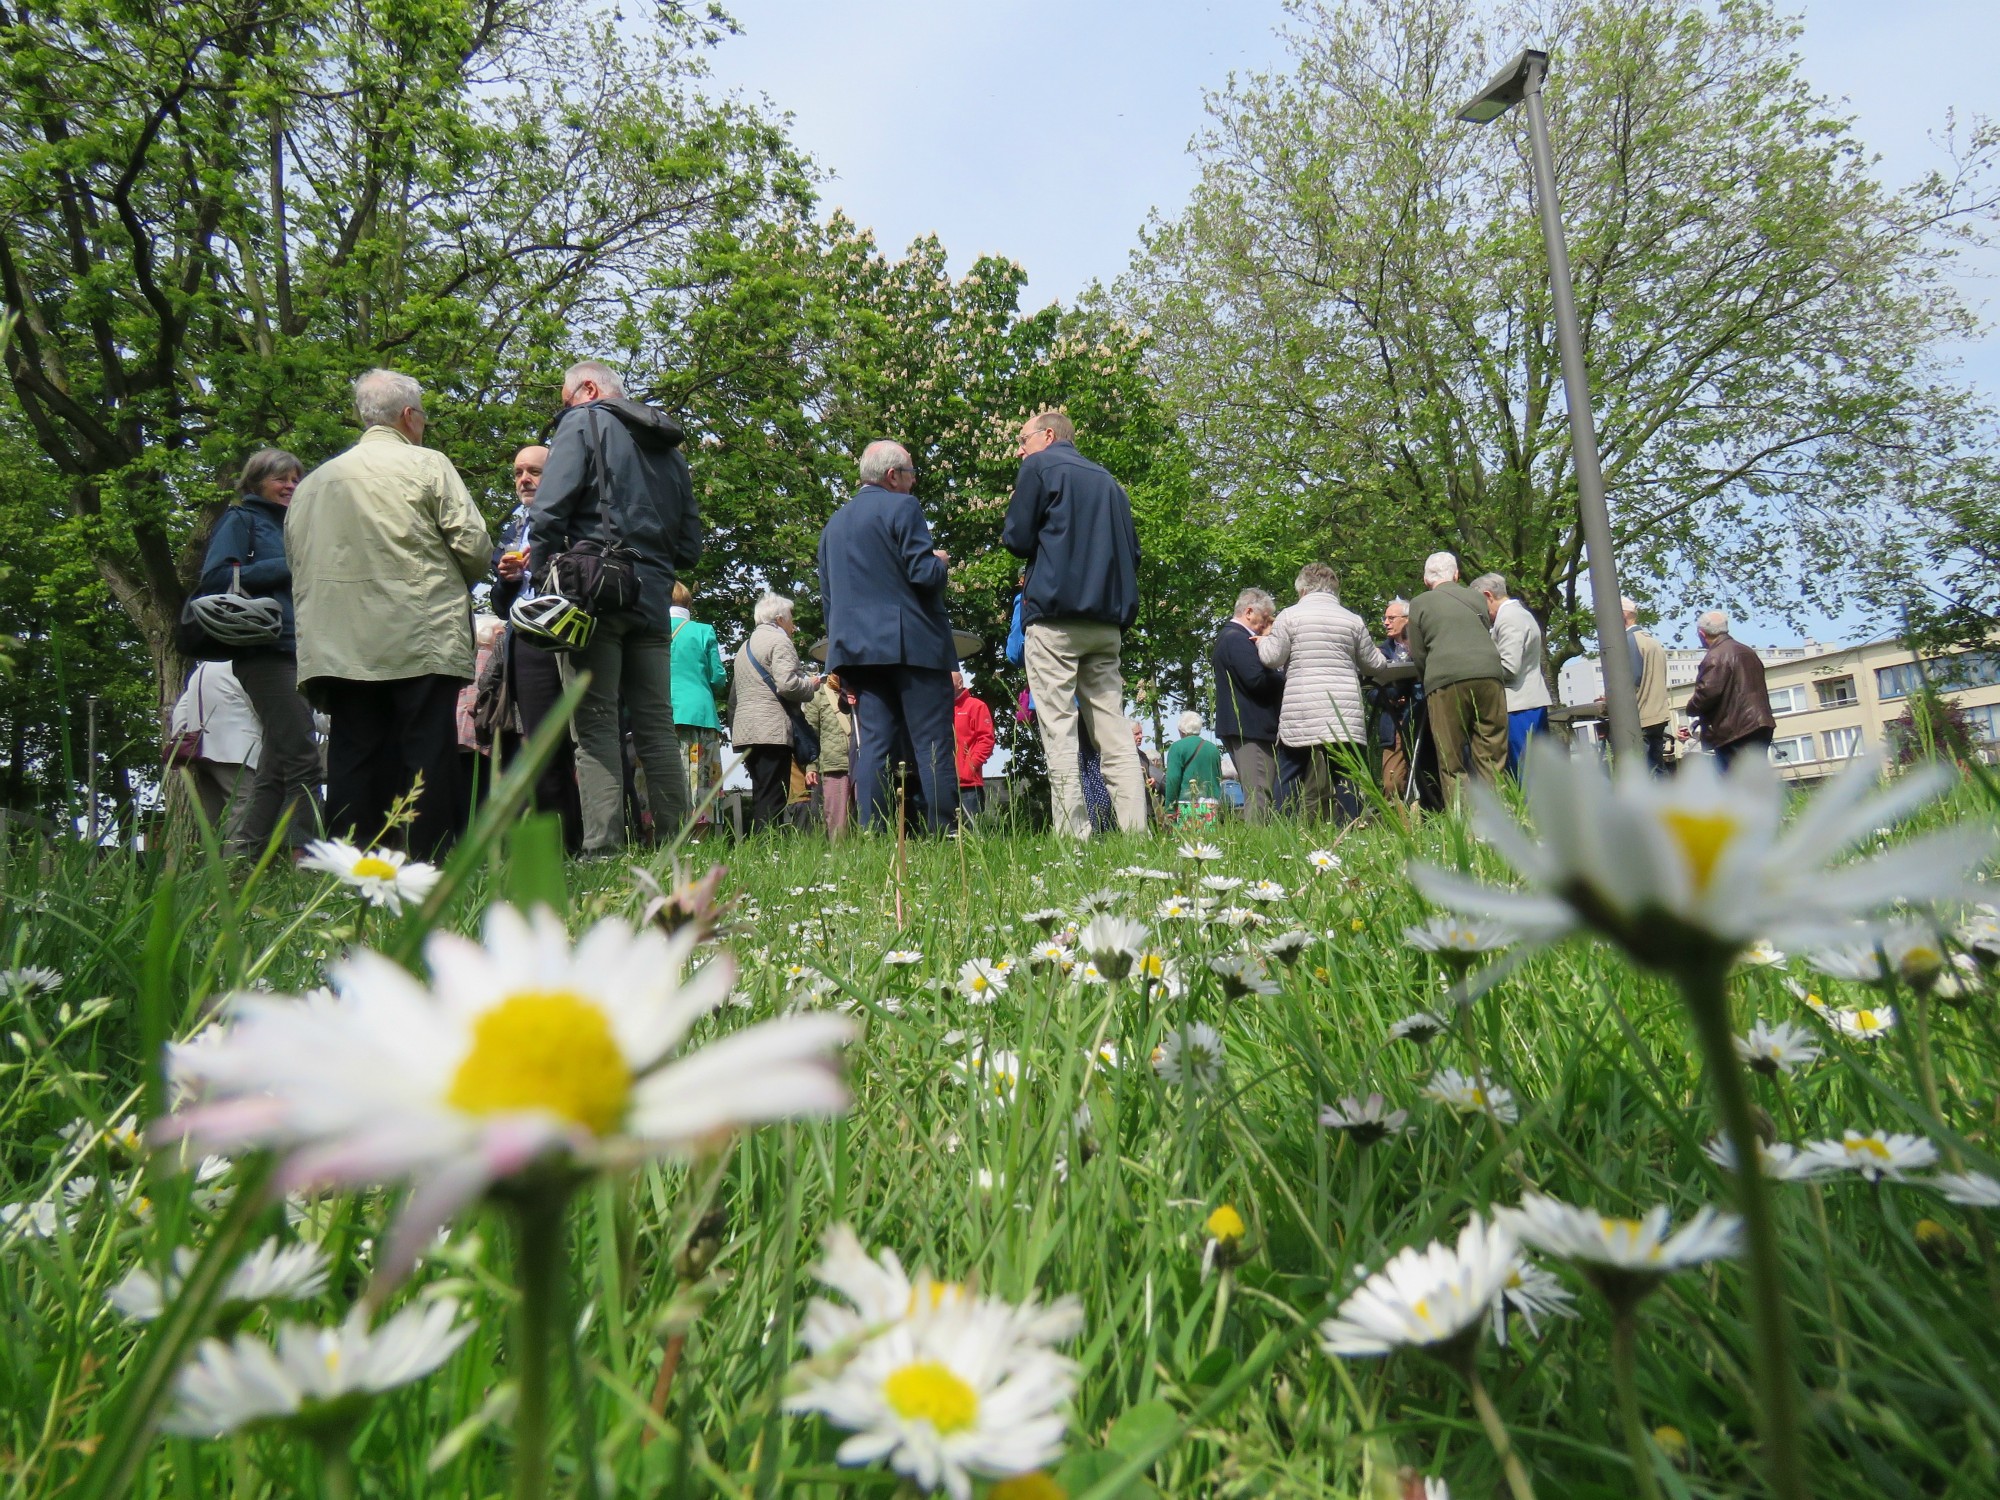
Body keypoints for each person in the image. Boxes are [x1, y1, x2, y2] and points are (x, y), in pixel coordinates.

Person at [287, 371, 490, 856]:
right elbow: (473, 545)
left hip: (340, 642)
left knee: (353, 754)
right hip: (419, 631)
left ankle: (346, 869)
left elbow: (297, 560)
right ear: (409, 416)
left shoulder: (313, 484)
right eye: (423, 415)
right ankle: (428, 863)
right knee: (427, 752)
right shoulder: (428, 465)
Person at [529, 359, 698, 855]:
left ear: (587, 388)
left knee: (596, 721)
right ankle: (676, 841)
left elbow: (548, 511)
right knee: (656, 724)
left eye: (565, 399)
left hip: (594, 593)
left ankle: (603, 848)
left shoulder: (583, 421)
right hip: (651, 599)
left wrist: (545, 580)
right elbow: (689, 548)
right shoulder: (671, 450)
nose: (564, 410)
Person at [1001, 410, 1146, 838]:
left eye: (1023, 438)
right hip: (1106, 624)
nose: (1020, 448)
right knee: (1114, 732)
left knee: (1060, 731)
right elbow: (1132, 554)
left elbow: (1016, 539)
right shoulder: (1110, 483)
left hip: (1055, 621)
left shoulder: (1039, 467)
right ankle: (1138, 834)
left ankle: (1075, 839)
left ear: (1048, 435)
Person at [817, 439, 958, 833]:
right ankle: (945, 834)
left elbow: (829, 600)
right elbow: (922, 574)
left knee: (873, 747)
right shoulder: (903, 507)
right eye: (911, 474)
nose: (914, 484)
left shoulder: (834, 525)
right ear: (893, 476)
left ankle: (875, 837)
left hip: (857, 652)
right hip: (913, 647)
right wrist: (940, 563)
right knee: (932, 746)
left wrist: (839, 664)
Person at [195, 447, 324, 856]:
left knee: (274, 765)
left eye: (295, 478)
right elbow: (216, 578)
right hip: (263, 650)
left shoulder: (302, 524)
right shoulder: (241, 519)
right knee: (304, 756)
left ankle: (240, 862)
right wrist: (290, 563)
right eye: (280, 478)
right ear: (255, 482)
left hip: (302, 648)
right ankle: (310, 859)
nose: (290, 486)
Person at [1257, 563, 1412, 820]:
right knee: (1346, 776)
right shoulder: (1352, 620)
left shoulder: (1289, 616)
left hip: (1302, 709)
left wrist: (1263, 642)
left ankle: (1282, 831)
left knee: (1290, 773)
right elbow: (1373, 664)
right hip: (1343, 710)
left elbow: (1273, 658)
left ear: (1302, 590)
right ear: (1334, 589)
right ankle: (1352, 830)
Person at [491, 443, 582, 850]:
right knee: (541, 747)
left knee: (588, 743)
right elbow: (499, 603)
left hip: (565, 636)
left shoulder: (574, 519)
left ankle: (595, 841)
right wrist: (508, 579)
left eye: (534, 472)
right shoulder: (513, 529)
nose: (524, 480)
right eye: (517, 473)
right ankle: (560, 846)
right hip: (526, 640)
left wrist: (546, 561)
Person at [1404, 552, 1508, 806]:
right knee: (1492, 753)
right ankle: (1498, 823)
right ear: (1457, 575)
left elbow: (1418, 654)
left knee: (1451, 759)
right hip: (1489, 675)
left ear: (1426, 579)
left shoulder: (1419, 603)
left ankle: (1464, 827)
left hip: (1445, 679)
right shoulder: (1476, 598)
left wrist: (1428, 679)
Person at [729, 593, 820, 831]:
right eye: (790, 619)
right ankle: (767, 850)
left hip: (746, 731)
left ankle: (761, 851)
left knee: (762, 793)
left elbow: (734, 696)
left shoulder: (744, 646)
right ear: (779, 619)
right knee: (774, 798)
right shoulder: (779, 641)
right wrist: (810, 685)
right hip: (771, 731)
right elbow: (788, 685)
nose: (793, 625)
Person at [1210, 587, 1283, 822]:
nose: (1264, 625)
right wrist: (1283, 672)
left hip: (1244, 727)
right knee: (1260, 795)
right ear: (1249, 612)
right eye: (1264, 619)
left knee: (1258, 792)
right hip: (1251, 729)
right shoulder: (1237, 639)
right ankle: (1259, 848)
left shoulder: (1229, 637)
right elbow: (1257, 680)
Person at [168, 660, 262, 834]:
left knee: (215, 820)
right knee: (246, 810)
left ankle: (215, 860)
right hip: (237, 752)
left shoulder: (201, 670)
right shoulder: (238, 664)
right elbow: (262, 705)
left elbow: (181, 709)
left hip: (202, 753)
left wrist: (183, 736)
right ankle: (237, 861)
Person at [1472, 573, 1553, 776]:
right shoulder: (1520, 614)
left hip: (1519, 706)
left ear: (1488, 595)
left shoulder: (1509, 618)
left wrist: (1476, 670)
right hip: (1527, 702)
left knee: (1526, 773)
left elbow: (1509, 667)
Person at [1682, 608, 1775, 769]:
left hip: (1735, 730)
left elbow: (1707, 693)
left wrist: (1690, 709)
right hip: (1760, 724)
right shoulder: (1747, 651)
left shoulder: (1715, 656)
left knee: (1734, 784)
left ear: (1702, 634)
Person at [670, 580, 729, 826]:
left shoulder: (650, 631)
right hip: (700, 715)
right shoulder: (703, 631)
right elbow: (718, 678)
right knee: (702, 784)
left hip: (661, 715)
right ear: (689, 603)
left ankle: (659, 840)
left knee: (662, 779)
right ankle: (700, 845)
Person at [1622, 597, 1673, 773]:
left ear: (1622, 616)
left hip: (1642, 715)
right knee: (1657, 767)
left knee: (1646, 771)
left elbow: (1631, 680)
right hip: (1658, 712)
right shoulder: (1651, 640)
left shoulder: (1628, 641)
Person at [805, 675, 855, 838]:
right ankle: (839, 861)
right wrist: (811, 766)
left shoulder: (861, 687)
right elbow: (811, 733)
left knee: (866, 822)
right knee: (838, 827)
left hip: (862, 764)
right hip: (835, 766)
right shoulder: (819, 693)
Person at [1163, 710, 1224, 820]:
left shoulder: (1177, 747)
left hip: (1186, 804)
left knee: (1187, 836)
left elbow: (1173, 779)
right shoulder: (1213, 748)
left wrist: (1170, 808)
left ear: (1181, 730)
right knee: (1210, 836)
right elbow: (1218, 776)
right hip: (1211, 803)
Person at [952, 671, 996, 818]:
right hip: (944, 782)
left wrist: (970, 767)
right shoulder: (941, 708)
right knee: (945, 833)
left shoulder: (976, 706)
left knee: (971, 831)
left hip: (969, 785)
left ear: (960, 683)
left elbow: (986, 740)